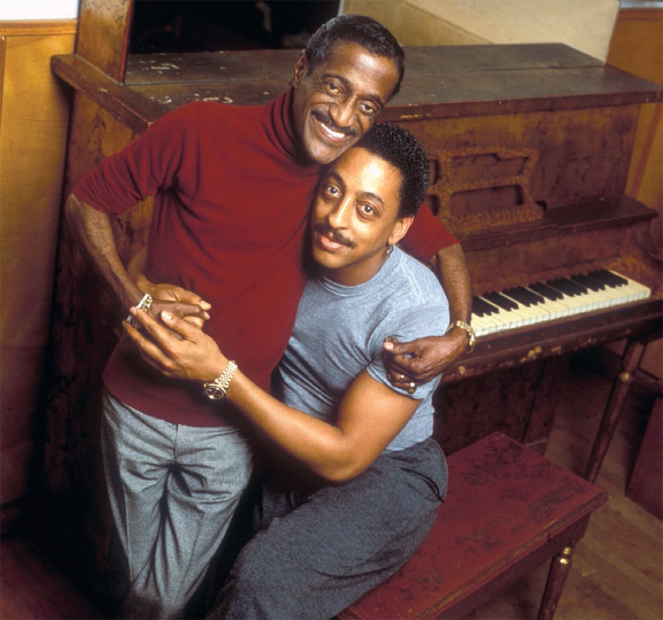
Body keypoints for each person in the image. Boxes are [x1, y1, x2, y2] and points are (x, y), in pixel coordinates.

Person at [65, 14, 472, 619]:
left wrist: (461, 331)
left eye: (367, 105)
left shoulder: (345, 173)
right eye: (335, 87)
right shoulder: (212, 132)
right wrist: (137, 293)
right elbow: (94, 204)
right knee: (138, 573)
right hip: (141, 404)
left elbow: (443, 245)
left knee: (166, 593)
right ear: (301, 69)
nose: (343, 116)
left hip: (233, 425)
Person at [126, 122, 449, 620]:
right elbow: (163, 251)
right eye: (333, 191)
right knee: (191, 567)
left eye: (367, 209)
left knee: (262, 578)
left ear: (400, 227)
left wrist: (220, 373)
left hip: (387, 469)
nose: (337, 219)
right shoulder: (284, 230)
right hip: (281, 448)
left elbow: (346, 456)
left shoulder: (414, 310)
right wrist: (143, 289)